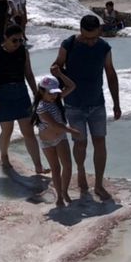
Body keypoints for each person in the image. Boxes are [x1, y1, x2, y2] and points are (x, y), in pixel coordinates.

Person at [52, 14, 122, 202]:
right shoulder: (69, 44)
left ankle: (98, 184)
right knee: (80, 143)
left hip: (97, 102)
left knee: (100, 142)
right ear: (80, 31)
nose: (91, 42)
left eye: (94, 38)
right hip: (73, 103)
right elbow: (56, 65)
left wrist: (116, 103)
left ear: (99, 31)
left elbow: (111, 74)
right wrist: (55, 71)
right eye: (86, 38)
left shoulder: (104, 47)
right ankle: (81, 169)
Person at [0, 24, 46, 175]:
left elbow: (29, 74)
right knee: (7, 130)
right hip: (2, 94)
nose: (18, 43)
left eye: (20, 40)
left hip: (21, 93)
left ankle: (38, 166)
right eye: (14, 40)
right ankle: (4, 155)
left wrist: (36, 94)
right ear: (5, 38)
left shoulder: (23, 52)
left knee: (28, 131)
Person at [33, 71, 80, 208]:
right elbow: (54, 124)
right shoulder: (41, 107)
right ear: (42, 91)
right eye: (50, 93)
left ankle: (65, 192)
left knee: (68, 165)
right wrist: (71, 130)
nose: (54, 96)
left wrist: (59, 74)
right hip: (46, 142)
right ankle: (59, 196)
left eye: (55, 93)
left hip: (60, 137)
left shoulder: (57, 99)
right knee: (55, 168)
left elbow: (72, 86)